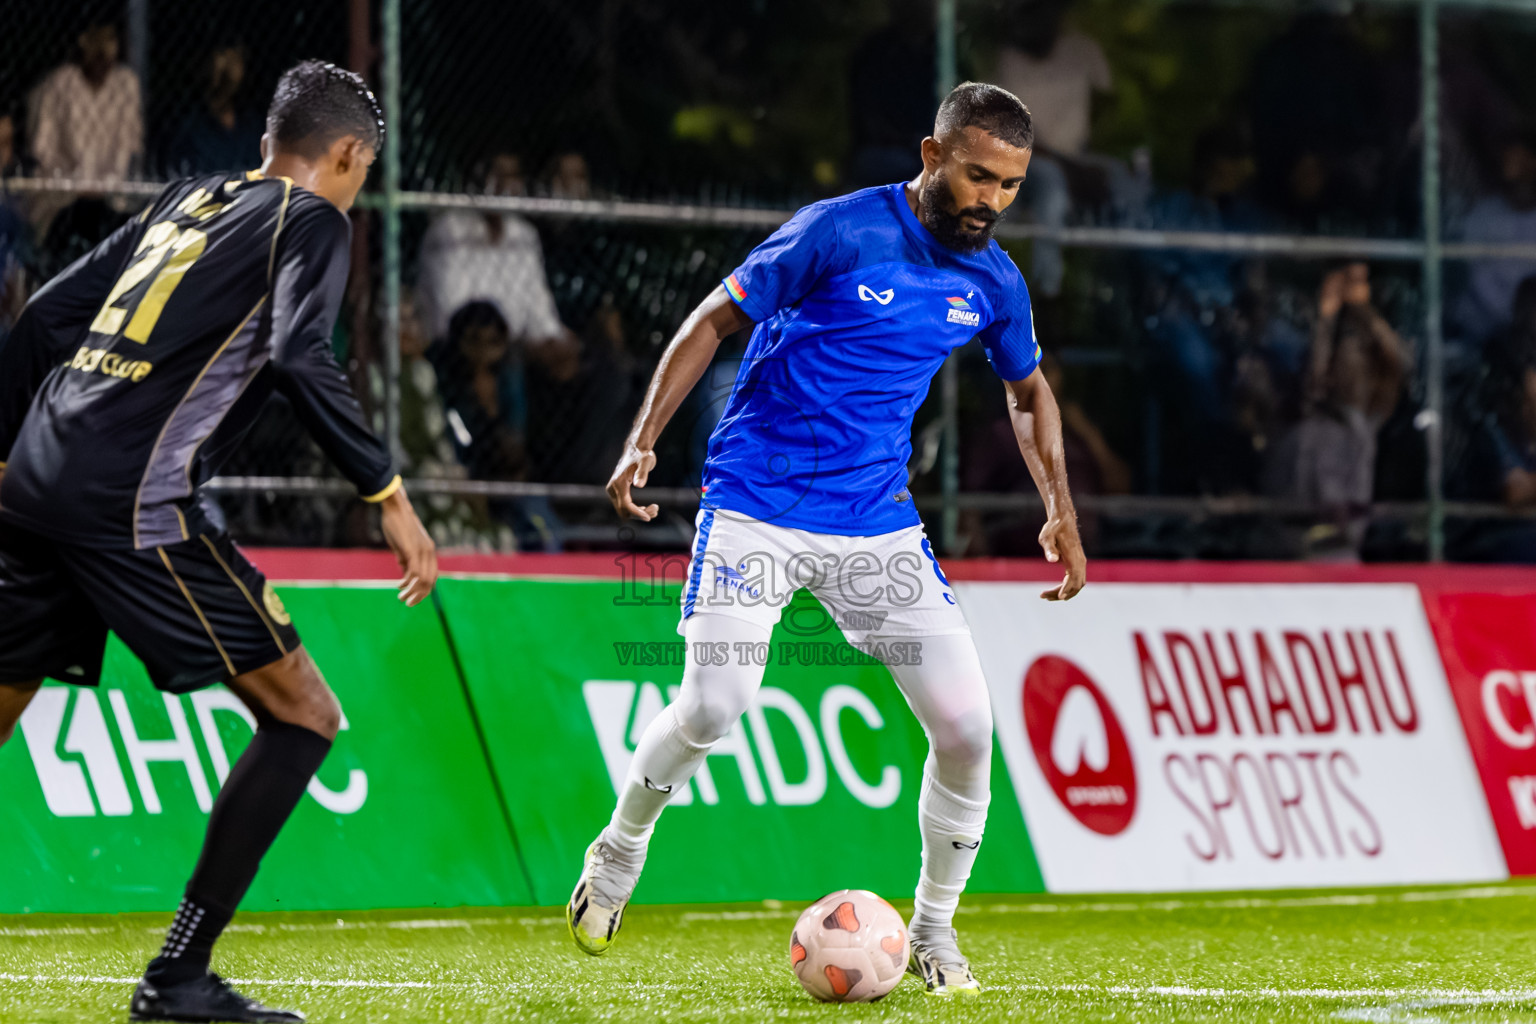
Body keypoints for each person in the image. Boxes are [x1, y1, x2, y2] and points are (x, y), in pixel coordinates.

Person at [568, 82, 1086, 996]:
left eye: (1010, 186)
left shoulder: (994, 281)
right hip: (756, 506)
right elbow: (711, 319)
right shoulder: (837, 231)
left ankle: (934, 931)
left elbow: (1028, 390)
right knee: (713, 708)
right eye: (976, 177)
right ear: (932, 158)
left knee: (968, 728)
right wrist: (643, 436)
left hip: (876, 526)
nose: (991, 201)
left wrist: (1061, 507)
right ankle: (618, 851)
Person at [0, 62, 437, 1024]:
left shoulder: (191, 198)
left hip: (36, 475)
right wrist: (388, 493)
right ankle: (178, 978)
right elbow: (296, 354)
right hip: (130, 503)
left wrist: (9, 451)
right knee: (304, 715)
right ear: (349, 155)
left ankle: (180, 979)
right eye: (363, 170)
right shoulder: (315, 221)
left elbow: (42, 318)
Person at [1265, 263, 1411, 557]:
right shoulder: (1311, 412)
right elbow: (1314, 382)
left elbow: (1398, 364)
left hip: (1339, 553)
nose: (1348, 361)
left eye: (1356, 353)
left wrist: (1362, 309)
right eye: (1342, 355)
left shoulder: (1366, 418)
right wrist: (1326, 318)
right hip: (1289, 549)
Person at [28, 18, 143, 184]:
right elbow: (43, 145)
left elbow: (130, 142)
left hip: (113, 190)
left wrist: (111, 181)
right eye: (96, 40)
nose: (102, 52)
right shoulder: (61, 82)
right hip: (66, 187)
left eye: (109, 40)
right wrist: (66, 178)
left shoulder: (125, 83)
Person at [1453, 132, 1536, 348]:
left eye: (1524, 164)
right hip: (1482, 334)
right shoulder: (1483, 216)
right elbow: (1476, 278)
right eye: (1509, 162)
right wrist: (1513, 322)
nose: (1516, 172)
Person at [163, 44, 264, 178]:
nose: (229, 64)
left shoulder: (252, 124)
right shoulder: (189, 127)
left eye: (236, 58)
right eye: (222, 55)